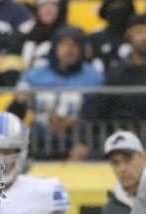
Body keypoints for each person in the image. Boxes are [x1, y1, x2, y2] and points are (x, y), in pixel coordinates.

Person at [12, 25, 103, 161]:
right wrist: (20, 101)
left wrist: (84, 142)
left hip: (75, 140)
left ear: (81, 49)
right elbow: (14, 112)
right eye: (64, 44)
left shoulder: (94, 78)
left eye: (74, 45)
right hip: (38, 141)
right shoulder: (34, 75)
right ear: (55, 47)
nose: (69, 50)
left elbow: (98, 116)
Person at [86, 16, 146, 139]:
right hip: (118, 137)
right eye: (140, 32)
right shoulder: (117, 72)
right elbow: (100, 109)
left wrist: (143, 133)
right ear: (130, 37)